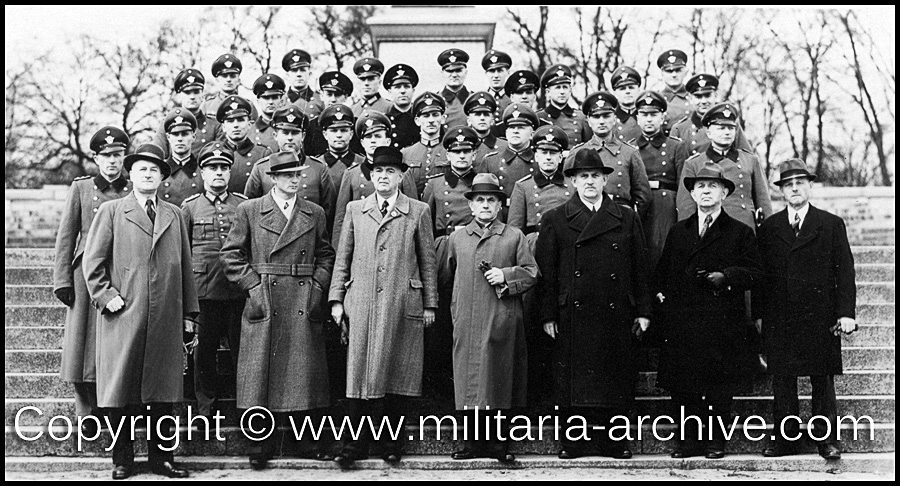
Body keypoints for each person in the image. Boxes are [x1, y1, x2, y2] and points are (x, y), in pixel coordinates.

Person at [82, 143, 198, 479]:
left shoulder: (174, 214)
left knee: (162, 392)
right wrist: (106, 296)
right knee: (122, 391)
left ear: (163, 177)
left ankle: (162, 459)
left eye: (154, 170)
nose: (147, 174)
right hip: (123, 314)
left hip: (164, 316)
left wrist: (190, 314)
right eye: (141, 169)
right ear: (130, 174)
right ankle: (123, 459)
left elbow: (186, 268)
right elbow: (94, 263)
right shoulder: (113, 211)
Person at [221, 150, 336, 469]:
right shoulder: (250, 209)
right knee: (258, 374)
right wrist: (254, 288)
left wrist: (317, 287)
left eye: (298, 175)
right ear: (272, 178)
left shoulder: (314, 213)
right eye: (286, 175)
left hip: (302, 297)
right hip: (265, 298)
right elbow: (231, 254)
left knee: (304, 374)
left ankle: (306, 443)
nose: (294, 181)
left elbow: (326, 254)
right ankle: (259, 445)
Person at [534, 149, 651, 460]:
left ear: (605, 180)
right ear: (572, 181)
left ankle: (615, 441)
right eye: (582, 176)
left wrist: (643, 310)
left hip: (615, 309)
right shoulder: (555, 219)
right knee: (573, 377)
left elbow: (640, 267)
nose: (589, 181)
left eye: (595, 176)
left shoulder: (626, 216)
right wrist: (547, 314)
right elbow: (547, 273)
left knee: (614, 374)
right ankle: (573, 441)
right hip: (572, 309)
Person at [328, 146, 439, 467]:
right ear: (370, 175)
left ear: (401, 175)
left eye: (390, 171)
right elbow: (342, 258)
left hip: (401, 301)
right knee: (359, 373)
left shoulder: (417, 211)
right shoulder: (354, 209)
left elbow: (427, 261)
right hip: (360, 301)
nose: (383, 177)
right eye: (378, 171)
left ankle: (391, 444)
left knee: (395, 373)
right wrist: (337, 299)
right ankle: (354, 446)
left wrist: (429, 303)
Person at [653, 163, 762, 459]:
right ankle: (688, 441)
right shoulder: (679, 231)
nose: (705, 191)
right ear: (692, 193)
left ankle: (715, 441)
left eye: (712, 186)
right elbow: (663, 273)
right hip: (684, 322)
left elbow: (755, 272)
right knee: (684, 385)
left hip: (721, 322)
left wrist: (726, 276)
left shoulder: (739, 232)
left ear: (725, 192)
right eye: (699, 186)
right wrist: (664, 296)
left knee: (718, 385)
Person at [758, 159, 857, 461]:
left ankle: (826, 439)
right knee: (783, 380)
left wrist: (846, 313)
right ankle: (785, 439)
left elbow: (845, 272)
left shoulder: (830, 224)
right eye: (789, 184)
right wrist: (761, 315)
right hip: (781, 316)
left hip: (820, 314)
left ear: (810, 186)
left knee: (821, 377)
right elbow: (762, 276)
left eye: (800, 182)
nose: (795, 188)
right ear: (781, 191)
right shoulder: (770, 227)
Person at [444, 173, 538, 464]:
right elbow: (446, 276)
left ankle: (499, 444)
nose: (485, 205)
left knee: (497, 378)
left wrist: (506, 275)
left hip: (501, 317)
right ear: (471, 206)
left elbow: (532, 272)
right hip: (467, 318)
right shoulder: (457, 238)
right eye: (480, 200)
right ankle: (471, 444)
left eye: (491, 200)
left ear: (500, 206)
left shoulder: (513, 236)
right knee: (469, 381)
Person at [54, 127, 132, 436]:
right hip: (86, 275)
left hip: (123, 273)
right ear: (96, 158)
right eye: (106, 156)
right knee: (82, 348)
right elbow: (66, 236)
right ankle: (87, 411)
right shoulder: (82, 189)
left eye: (117, 155)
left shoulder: (132, 189)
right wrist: (62, 279)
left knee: (116, 343)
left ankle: (115, 406)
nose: (112, 162)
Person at [180, 142, 247, 425]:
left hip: (237, 290)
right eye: (212, 168)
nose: (218, 173)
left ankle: (246, 406)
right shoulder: (190, 207)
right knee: (203, 351)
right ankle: (205, 408)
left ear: (230, 172)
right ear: (202, 173)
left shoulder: (243, 204)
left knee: (242, 349)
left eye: (223, 168)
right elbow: (183, 251)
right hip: (203, 291)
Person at [422, 126, 482, 399]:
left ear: (474, 153)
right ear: (447, 153)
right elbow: (425, 226)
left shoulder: (482, 182)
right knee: (444, 315)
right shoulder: (435, 184)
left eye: (466, 151)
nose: (461, 156)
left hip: (474, 250)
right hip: (444, 252)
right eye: (456, 151)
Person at [676, 102, 772, 231]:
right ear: (709, 133)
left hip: (745, 229)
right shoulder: (694, 164)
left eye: (731, 128)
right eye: (721, 128)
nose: (727, 132)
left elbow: (763, 202)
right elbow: (686, 207)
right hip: (710, 228)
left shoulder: (750, 160)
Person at [332, 111, 418, 247]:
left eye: (378, 136)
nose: (373, 140)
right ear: (362, 142)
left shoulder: (403, 173)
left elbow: (414, 214)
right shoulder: (351, 174)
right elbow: (340, 220)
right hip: (360, 243)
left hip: (396, 242)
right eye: (368, 137)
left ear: (388, 141)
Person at [566, 91, 652, 218]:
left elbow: (643, 196)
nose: (601, 121)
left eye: (606, 116)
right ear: (588, 121)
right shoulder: (576, 153)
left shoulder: (629, 152)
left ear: (614, 119)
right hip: (585, 217)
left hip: (620, 216)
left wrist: (630, 219)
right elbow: (569, 192)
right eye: (596, 117)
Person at [631, 91, 689, 268]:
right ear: (637, 118)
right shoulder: (629, 147)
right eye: (644, 114)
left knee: (663, 252)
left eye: (654, 114)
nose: (649, 119)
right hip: (638, 207)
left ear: (663, 117)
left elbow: (683, 185)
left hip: (665, 207)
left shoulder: (676, 146)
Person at [669, 74, 751, 156]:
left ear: (715, 96)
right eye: (698, 96)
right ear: (690, 98)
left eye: (708, 95)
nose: (704, 101)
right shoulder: (679, 129)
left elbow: (747, 158)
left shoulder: (731, 125)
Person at [153, 68, 221, 157]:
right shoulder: (166, 124)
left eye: (196, 92)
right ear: (179, 96)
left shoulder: (214, 125)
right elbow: (158, 156)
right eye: (187, 92)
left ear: (203, 95)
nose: (192, 97)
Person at [217, 95, 273, 194]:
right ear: (223, 127)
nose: (236, 125)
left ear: (250, 124)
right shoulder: (215, 153)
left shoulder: (262, 154)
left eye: (241, 120)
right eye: (230, 121)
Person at [402, 92, 449, 196]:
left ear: (442, 119)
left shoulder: (450, 152)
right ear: (417, 121)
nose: (431, 120)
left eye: (435, 115)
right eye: (426, 116)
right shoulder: (405, 154)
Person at [537, 64, 592, 148]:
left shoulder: (581, 118)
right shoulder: (540, 117)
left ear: (570, 90)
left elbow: (588, 147)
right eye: (558, 87)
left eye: (565, 87)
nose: (562, 92)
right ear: (548, 92)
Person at [311, 104, 364, 190]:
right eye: (334, 131)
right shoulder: (316, 165)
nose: (339, 135)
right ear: (325, 134)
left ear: (351, 134)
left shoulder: (362, 163)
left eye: (343, 130)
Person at [304, 70, 356, 157]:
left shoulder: (354, 125)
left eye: (337, 95)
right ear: (321, 95)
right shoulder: (311, 126)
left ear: (346, 97)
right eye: (329, 94)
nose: (333, 99)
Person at [159, 108, 203, 206]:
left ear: (193, 136)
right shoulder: (160, 171)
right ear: (168, 137)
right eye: (175, 134)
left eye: (184, 134)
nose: (180, 139)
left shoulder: (203, 171)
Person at [202, 53, 259, 122]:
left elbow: (254, 130)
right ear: (217, 80)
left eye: (232, 76)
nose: (228, 79)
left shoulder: (248, 105)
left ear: (238, 80)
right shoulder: (207, 106)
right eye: (224, 76)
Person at [464, 91, 508, 165]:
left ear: (492, 120)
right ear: (469, 120)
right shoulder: (463, 147)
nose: (482, 118)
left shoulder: (505, 147)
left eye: (486, 114)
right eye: (477, 114)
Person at [383, 63, 420, 150]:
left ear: (413, 90)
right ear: (390, 91)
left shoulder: (423, 118)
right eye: (397, 87)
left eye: (406, 87)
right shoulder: (385, 121)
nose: (402, 91)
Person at [282, 48, 324, 120]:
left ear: (309, 74)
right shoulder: (280, 101)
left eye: (302, 70)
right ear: (287, 75)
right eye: (294, 71)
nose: (299, 74)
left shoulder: (321, 100)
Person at [249, 73, 287, 152]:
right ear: (258, 101)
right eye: (266, 98)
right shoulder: (250, 131)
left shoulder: (289, 128)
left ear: (281, 100)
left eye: (274, 97)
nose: (270, 102)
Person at [437, 48, 471, 130]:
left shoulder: (473, 99)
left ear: (466, 72)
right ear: (442, 73)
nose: (454, 75)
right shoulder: (436, 100)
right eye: (449, 71)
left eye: (458, 70)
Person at [656, 49, 691, 127]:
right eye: (669, 71)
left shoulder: (694, 98)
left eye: (678, 70)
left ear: (685, 71)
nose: (674, 75)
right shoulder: (656, 99)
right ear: (662, 73)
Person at [482, 49, 512, 135]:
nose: (496, 75)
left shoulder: (513, 98)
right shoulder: (480, 99)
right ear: (486, 74)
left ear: (508, 72)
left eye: (500, 71)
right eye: (492, 71)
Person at [609, 66, 643, 143]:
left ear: (638, 89)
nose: (627, 91)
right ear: (615, 92)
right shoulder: (610, 120)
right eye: (622, 89)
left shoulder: (648, 115)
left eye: (631, 87)